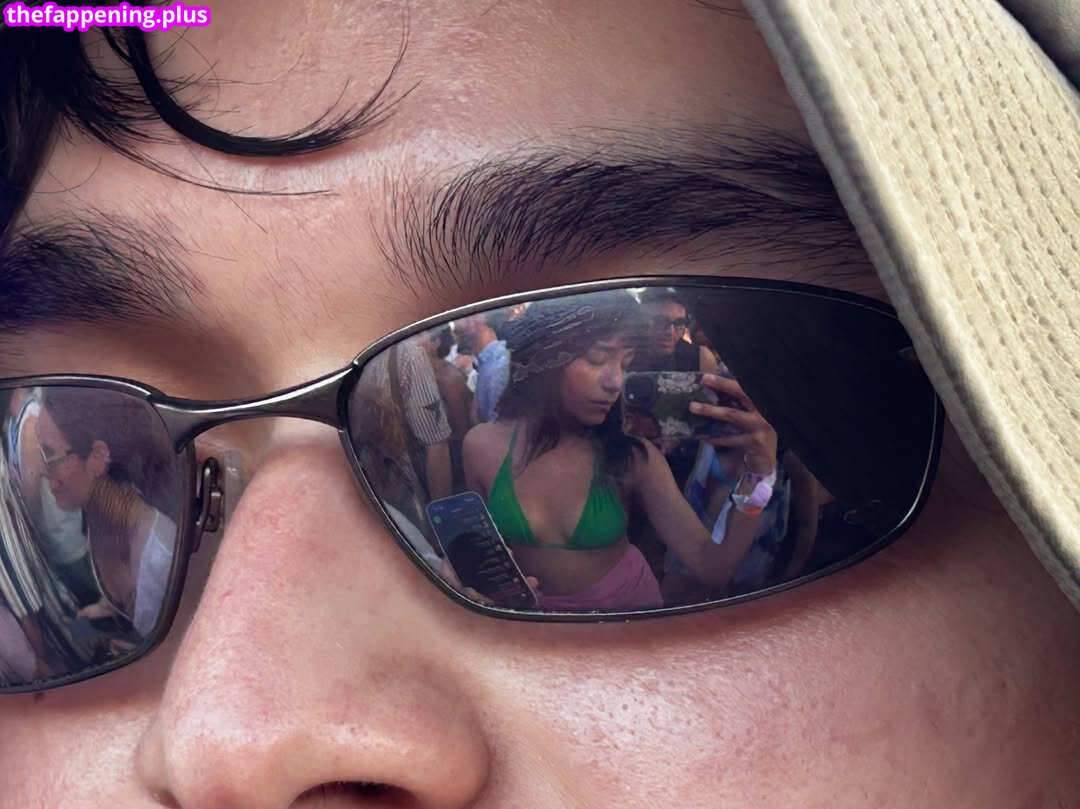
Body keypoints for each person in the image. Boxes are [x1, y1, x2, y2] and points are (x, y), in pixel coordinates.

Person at [0, 2, 1078, 807]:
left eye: (625, 334)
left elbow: (703, 558)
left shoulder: (638, 463)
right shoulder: (485, 455)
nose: (233, 734)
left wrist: (759, 480)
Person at [461, 292, 773, 610]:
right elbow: (482, 560)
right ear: (544, 356)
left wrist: (759, 475)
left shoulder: (633, 456)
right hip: (534, 628)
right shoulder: (480, 447)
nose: (616, 382)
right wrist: (476, 588)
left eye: (626, 363)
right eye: (597, 358)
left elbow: (713, 565)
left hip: (624, 621)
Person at [36, 387, 179, 638]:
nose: (40, 471)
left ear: (97, 457)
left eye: (49, 455)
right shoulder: (96, 521)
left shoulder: (162, 560)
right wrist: (107, 608)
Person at [454, 311, 510, 423]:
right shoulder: (487, 363)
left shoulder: (497, 368)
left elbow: (498, 428)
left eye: (458, 317)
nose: (455, 329)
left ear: (475, 319)